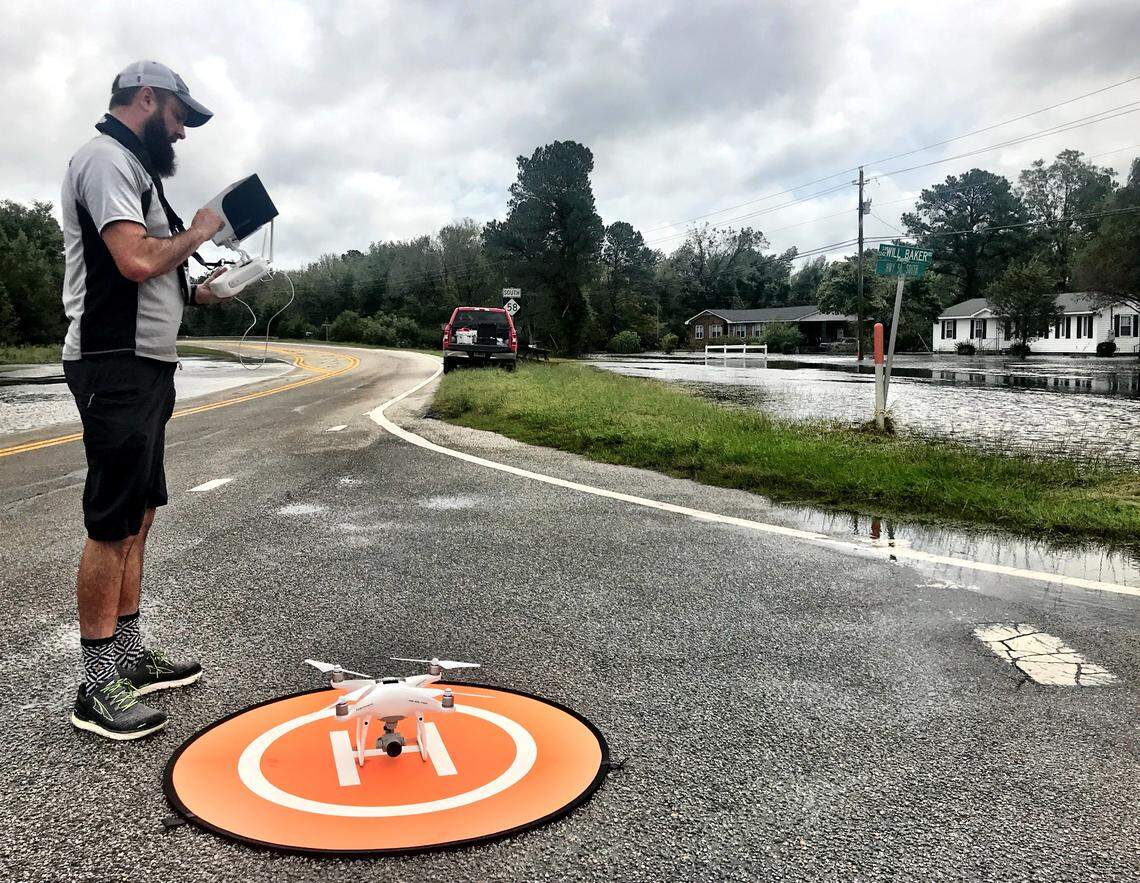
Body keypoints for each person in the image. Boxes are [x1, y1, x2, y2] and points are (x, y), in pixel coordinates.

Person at [61, 61, 231, 740]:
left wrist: (206, 286)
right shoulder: (105, 159)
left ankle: (130, 656)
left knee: (140, 511)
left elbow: (155, 272)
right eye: (180, 116)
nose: (184, 132)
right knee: (111, 520)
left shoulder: (137, 170)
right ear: (147, 99)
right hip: (113, 361)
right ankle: (96, 685)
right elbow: (134, 262)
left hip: (147, 364)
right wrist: (200, 230)